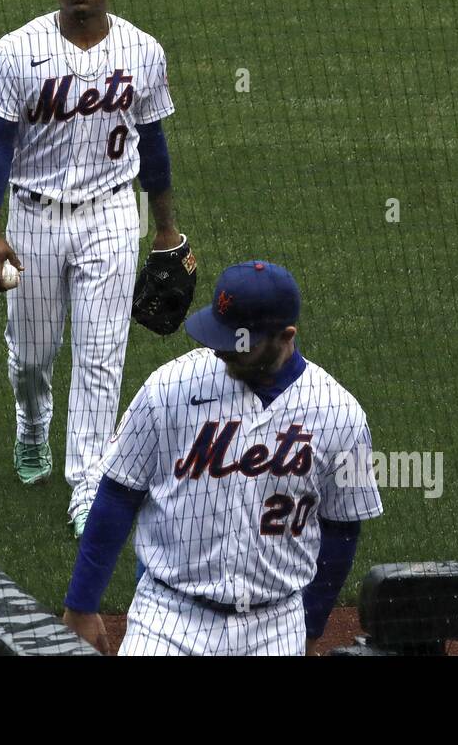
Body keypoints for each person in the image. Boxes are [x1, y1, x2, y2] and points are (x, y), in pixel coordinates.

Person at [0, 0, 187, 538]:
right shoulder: (17, 49)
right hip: (34, 217)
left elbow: (155, 145)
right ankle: (32, 423)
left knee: (100, 358)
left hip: (113, 216)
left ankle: (88, 483)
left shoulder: (144, 51)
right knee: (33, 356)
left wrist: (167, 230)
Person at [61, 260, 383, 654]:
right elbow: (117, 494)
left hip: (275, 625)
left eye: (240, 342)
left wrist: (311, 626)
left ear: (285, 336)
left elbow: (341, 528)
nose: (222, 348)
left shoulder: (339, 415)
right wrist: (81, 604)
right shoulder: (170, 387)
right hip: (167, 617)